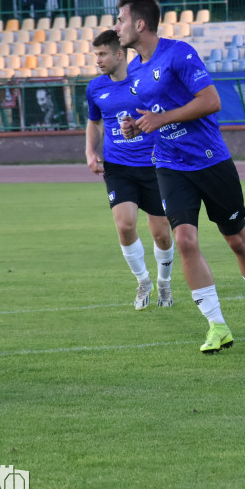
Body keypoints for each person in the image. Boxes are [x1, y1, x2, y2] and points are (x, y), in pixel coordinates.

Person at [115, 0, 245, 353]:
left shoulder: (179, 53)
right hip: (170, 164)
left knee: (237, 241)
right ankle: (217, 326)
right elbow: (155, 114)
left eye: (121, 20)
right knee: (185, 240)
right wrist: (137, 126)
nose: (117, 26)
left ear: (141, 24)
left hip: (210, 160)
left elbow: (211, 101)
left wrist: (161, 118)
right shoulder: (135, 69)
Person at [85, 29, 175, 311]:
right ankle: (143, 281)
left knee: (161, 233)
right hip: (118, 167)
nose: (97, 60)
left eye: (102, 54)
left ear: (119, 54)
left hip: (154, 165)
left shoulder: (145, 80)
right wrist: (90, 151)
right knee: (124, 226)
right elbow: (95, 122)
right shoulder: (95, 88)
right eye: (95, 55)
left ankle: (164, 282)